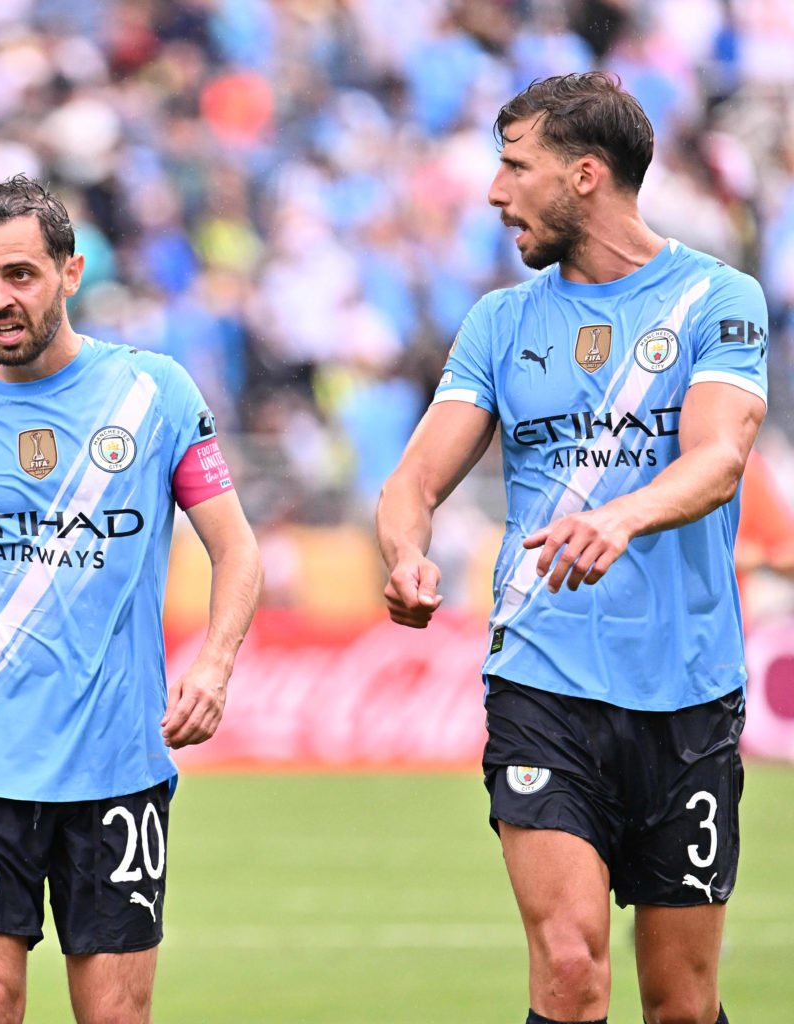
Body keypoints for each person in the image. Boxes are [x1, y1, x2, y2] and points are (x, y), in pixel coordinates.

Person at [377, 73, 766, 1024]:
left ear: (585, 175)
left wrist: (621, 517)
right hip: (543, 681)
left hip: (688, 691)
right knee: (569, 964)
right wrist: (405, 551)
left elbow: (719, 459)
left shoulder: (720, 299)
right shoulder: (501, 323)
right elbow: (412, 482)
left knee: (681, 1001)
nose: (495, 192)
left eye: (516, 167)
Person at [0, 175, 262, 1024]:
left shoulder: (154, 394)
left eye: (20, 274)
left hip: (118, 765)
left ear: (71, 271)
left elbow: (236, 547)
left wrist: (216, 664)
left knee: (116, 1016)